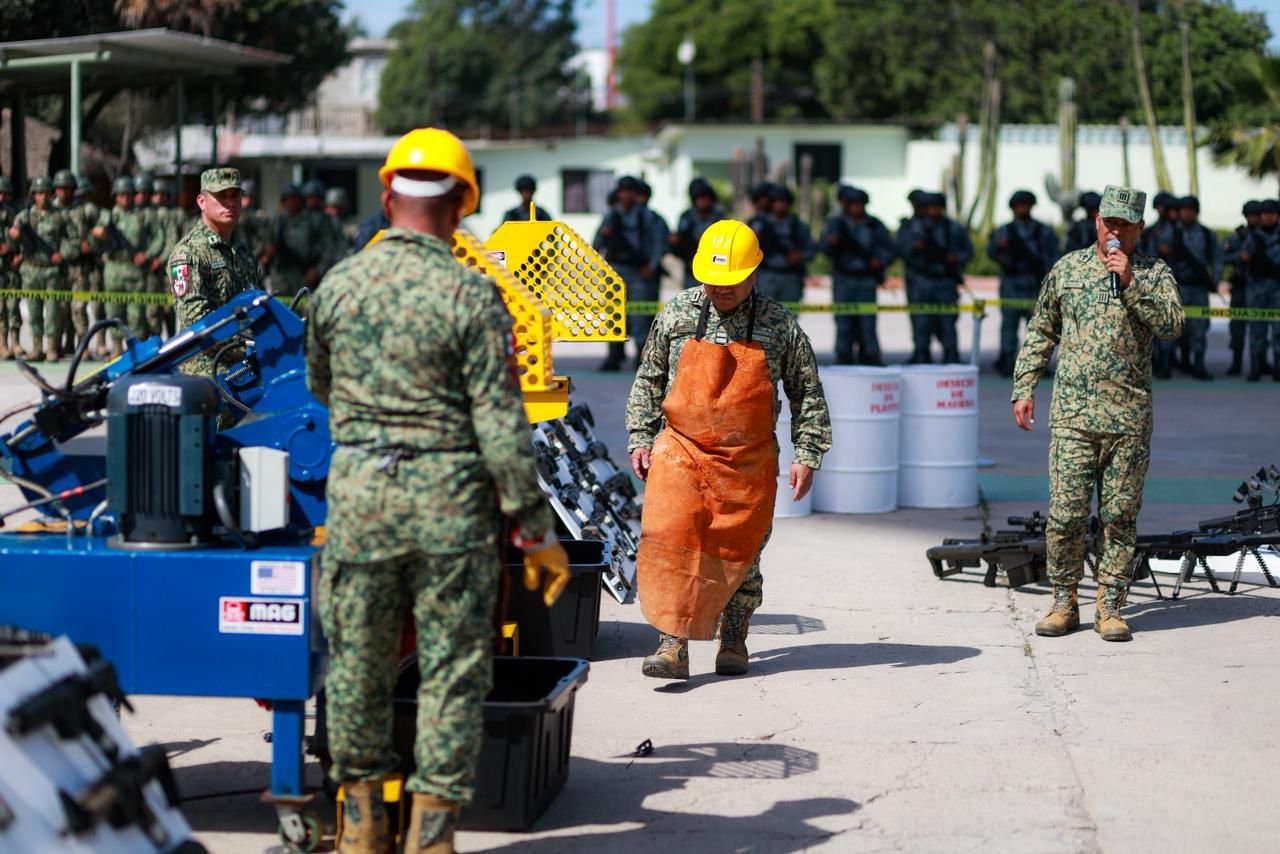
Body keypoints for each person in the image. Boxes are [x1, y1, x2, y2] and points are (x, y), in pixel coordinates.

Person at [307, 126, 568, 854]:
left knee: (357, 666)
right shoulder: (473, 295)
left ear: (388, 199)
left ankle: (361, 827)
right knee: (452, 672)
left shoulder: (337, 286)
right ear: (461, 207)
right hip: (450, 509)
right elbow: (501, 426)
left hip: (361, 500)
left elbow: (322, 387)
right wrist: (536, 532)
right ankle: (431, 836)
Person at [626, 219, 831, 679]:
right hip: (681, 451)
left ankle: (734, 633)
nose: (720, 288)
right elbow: (649, 378)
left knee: (741, 553)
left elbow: (807, 393)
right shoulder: (677, 314)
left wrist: (807, 453)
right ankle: (672, 644)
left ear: (754, 273)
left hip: (747, 460)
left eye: (731, 280)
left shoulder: (779, 325)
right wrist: (640, 436)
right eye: (712, 279)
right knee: (674, 541)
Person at [1012, 185, 1183, 643]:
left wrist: (1130, 285)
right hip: (1073, 416)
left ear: (1139, 228)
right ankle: (1064, 601)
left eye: (1125, 224)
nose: (1115, 231)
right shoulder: (1067, 269)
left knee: (1119, 517)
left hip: (1128, 419)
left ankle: (1110, 606)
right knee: (1065, 516)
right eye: (1110, 222)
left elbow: (1172, 327)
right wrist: (1023, 387)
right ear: (1097, 222)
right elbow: (1041, 330)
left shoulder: (1153, 273)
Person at [168, 167, 261, 379]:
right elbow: (197, 322)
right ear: (202, 202)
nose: (230, 203)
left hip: (246, 370)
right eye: (221, 196)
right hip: (207, 375)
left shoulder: (242, 251)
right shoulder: (189, 253)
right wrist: (248, 344)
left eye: (235, 196)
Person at [594, 175, 664, 371]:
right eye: (623, 191)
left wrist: (652, 265)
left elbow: (658, 243)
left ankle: (641, 356)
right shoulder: (611, 216)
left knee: (639, 315)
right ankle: (614, 355)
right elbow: (597, 243)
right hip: (615, 271)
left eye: (630, 191)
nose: (626, 195)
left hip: (639, 271)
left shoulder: (647, 216)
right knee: (614, 313)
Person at [821, 185, 895, 365]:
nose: (856, 207)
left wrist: (880, 261)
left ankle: (870, 353)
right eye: (852, 204)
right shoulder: (835, 224)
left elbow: (890, 249)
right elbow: (822, 247)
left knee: (868, 320)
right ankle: (843, 353)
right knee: (843, 319)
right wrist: (831, 243)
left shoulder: (873, 224)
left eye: (859, 204)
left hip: (866, 278)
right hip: (843, 278)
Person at [988, 190, 1059, 376]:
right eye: (1019, 206)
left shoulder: (1043, 231)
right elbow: (992, 251)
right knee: (1008, 326)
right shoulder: (1004, 231)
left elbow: (1054, 255)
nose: (1022, 209)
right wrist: (1000, 249)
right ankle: (1007, 360)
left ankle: (1038, 364)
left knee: (1038, 326)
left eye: (1025, 205)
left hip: (1035, 284)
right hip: (1011, 284)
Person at [8, 176, 80, 362]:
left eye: (46, 193)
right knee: (34, 311)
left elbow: (74, 240)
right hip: (31, 270)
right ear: (34, 195)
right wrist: (14, 236)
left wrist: (62, 254)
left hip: (51, 272)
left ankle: (52, 348)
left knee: (53, 312)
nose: (43, 196)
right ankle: (37, 348)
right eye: (39, 193)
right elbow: (12, 241)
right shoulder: (24, 216)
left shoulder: (60, 216)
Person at [899, 192, 972, 363]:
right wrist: (914, 247)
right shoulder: (913, 227)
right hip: (922, 280)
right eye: (930, 207)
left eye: (936, 207)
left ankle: (951, 354)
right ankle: (921, 353)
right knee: (921, 320)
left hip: (945, 280)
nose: (933, 211)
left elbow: (968, 251)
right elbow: (900, 249)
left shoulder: (952, 228)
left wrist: (956, 258)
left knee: (947, 321)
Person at [91, 175, 161, 355]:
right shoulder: (108, 216)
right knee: (114, 311)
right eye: (121, 195)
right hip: (113, 269)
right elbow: (93, 241)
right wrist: (97, 235)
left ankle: (135, 352)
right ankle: (116, 350)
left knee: (136, 314)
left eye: (129, 194)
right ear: (115, 196)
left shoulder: (143, 215)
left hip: (134, 270)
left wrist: (147, 255)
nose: (125, 198)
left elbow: (158, 238)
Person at [1161, 196, 1222, 381]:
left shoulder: (1206, 234)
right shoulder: (1170, 232)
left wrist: (1215, 279)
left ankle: (1199, 364)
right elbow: (1157, 256)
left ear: (1196, 211)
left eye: (1190, 209)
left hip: (1198, 288)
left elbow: (1216, 258)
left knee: (1199, 328)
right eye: (1184, 209)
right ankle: (1166, 363)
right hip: (1174, 287)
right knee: (1169, 325)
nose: (1187, 213)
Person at [750, 184, 815, 303]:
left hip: (791, 276)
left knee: (789, 312)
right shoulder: (760, 224)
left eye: (782, 201)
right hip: (766, 274)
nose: (779, 205)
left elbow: (811, 249)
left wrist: (800, 256)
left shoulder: (798, 225)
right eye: (776, 201)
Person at [265, 183, 328, 297]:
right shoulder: (277, 221)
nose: (291, 203)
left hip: (304, 277)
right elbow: (266, 244)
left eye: (294, 199)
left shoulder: (313, 221)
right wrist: (268, 253)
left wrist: (318, 269)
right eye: (287, 199)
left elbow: (326, 248)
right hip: (281, 279)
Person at [1242, 198, 1280, 382]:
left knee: (1278, 329)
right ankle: (1256, 367)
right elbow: (1244, 256)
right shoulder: (1254, 236)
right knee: (1257, 328)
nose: (1268, 217)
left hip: (1278, 288)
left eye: (1272, 213)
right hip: (1257, 287)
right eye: (1265, 213)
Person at [1222, 201, 1262, 376]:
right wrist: (1240, 256)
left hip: (1260, 287)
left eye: (1256, 215)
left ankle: (1260, 363)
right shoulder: (1237, 236)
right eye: (1250, 215)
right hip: (1240, 287)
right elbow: (1223, 256)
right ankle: (1236, 362)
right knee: (1237, 326)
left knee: (1259, 326)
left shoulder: (1266, 236)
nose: (1254, 219)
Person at [670, 178, 725, 288]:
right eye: (699, 197)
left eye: (705, 197)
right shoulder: (686, 217)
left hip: (714, 267)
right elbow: (680, 243)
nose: (703, 201)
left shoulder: (718, 216)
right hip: (691, 268)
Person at [0, 175, 20, 359]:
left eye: (5, 194)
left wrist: (18, 256)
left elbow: (26, 241)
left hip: (11, 267)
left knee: (13, 307)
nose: (2, 198)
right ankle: (2, 344)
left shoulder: (15, 215)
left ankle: (15, 342)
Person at [324, 187, 359, 262]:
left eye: (339, 208)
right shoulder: (320, 224)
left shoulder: (350, 223)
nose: (335, 211)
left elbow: (356, 242)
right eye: (332, 207)